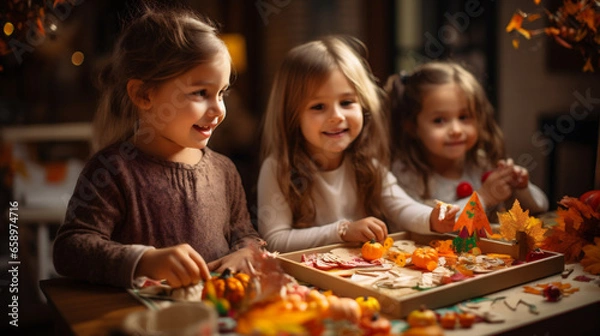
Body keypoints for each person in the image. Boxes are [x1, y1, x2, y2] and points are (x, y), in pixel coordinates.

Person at [53, 5, 264, 289]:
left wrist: (246, 252)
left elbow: (245, 233)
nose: (218, 109)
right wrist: (144, 260)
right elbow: (70, 249)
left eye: (222, 93)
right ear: (143, 94)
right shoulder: (113, 171)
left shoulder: (224, 171)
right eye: (200, 93)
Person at [257, 36, 458, 253]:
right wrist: (342, 231)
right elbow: (275, 240)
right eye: (318, 107)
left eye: (346, 102)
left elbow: (402, 207)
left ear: (363, 104)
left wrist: (432, 219)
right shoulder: (278, 168)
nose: (336, 116)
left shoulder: (367, 165)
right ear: (292, 115)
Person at [386, 61, 548, 221]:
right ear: (412, 127)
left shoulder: (481, 163)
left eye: (464, 117)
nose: (456, 130)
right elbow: (431, 224)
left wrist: (520, 188)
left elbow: (538, 209)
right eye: (439, 120)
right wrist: (483, 198)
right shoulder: (407, 175)